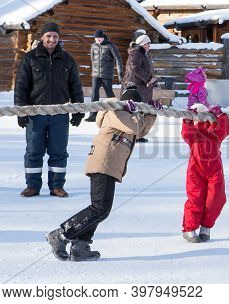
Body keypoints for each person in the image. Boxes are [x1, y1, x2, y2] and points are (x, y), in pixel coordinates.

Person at [46, 86, 157, 261]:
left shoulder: (128, 117)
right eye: (136, 105)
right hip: (104, 163)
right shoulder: (115, 111)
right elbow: (135, 126)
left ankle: (81, 246)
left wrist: (150, 113)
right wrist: (138, 112)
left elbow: (140, 130)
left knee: (99, 208)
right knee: (100, 209)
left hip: (109, 165)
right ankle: (60, 235)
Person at [14, 22, 85, 198]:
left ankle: (57, 186)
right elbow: (21, 87)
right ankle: (32, 186)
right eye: (49, 36)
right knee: (33, 151)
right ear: (42, 37)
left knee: (58, 152)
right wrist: (21, 112)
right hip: (35, 114)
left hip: (59, 115)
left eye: (55, 36)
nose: (52, 39)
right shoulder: (30, 58)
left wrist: (79, 111)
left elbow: (75, 86)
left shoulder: (67, 60)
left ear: (58, 38)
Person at [180, 70, 229, 242]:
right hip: (195, 170)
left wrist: (220, 116)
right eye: (196, 119)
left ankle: (206, 226)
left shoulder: (213, 132)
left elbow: (224, 130)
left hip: (214, 171)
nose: (198, 122)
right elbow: (186, 133)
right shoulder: (192, 135)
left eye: (201, 118)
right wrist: (188, 119)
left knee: (216, 199)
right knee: (195, 199)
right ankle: (189, 228)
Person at [121, 34, 157, 143]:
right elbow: (135, 68)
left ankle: (137, 135)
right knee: (134, 112)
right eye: (147, 43)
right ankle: (131, 135)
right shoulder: (136, 53)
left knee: (140, 111)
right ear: (142, 44)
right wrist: (148, 79)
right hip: (136, 86)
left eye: (149, 43)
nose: (149, 45)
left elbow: (146, 69)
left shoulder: (144, 54)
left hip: (142, 86)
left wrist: (152, 79)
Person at [85, 29, 123, 122]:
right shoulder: (93, 46)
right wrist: (94, 70)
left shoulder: (110, 45)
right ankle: (93, 115)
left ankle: (116, 112)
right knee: (94, 94)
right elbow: (93, 59)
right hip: (96, 74)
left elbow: (118, 59)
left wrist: (120, 73)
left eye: (99, 38)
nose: (98, 40)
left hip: (106, 74)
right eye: (96, 38)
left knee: (109, 94)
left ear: (103, 37)